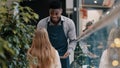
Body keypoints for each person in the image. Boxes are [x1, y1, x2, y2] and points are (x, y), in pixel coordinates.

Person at [37, 0, 77, 68]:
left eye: (56, 13)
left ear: (61, 11)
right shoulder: (42, 23)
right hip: (47, 57)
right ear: (49, 11)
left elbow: (73, 40)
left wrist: (69, 51)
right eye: (51, 13)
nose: (54, 16)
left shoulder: (69, 23)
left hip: (63, 57)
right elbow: (39, 41)